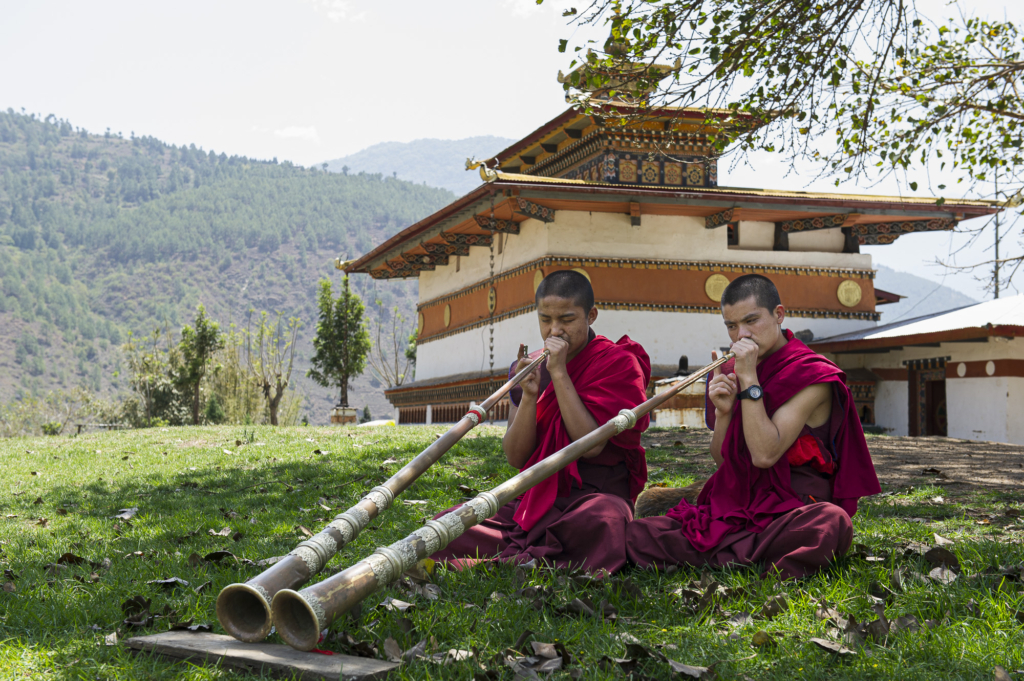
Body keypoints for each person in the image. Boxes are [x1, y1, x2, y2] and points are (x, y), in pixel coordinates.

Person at [626, 274, 880, 579]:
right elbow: (724, 461)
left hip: (791, 509)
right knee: (638, 533)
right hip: (738, 506)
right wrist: (723, 413)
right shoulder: (738, 370)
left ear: (779, 314)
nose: (741, 336)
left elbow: (764, 455)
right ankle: (747, 554)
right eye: (731, 326)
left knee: (830, 523)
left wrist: (749, 382)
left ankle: (728, 552)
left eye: (751, 321)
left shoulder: (812, 375)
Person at [431, 270, 651, 573]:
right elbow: (515, 456)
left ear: (592, 315)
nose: (555, 330)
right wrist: (531, 395)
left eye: (567, 319)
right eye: (545, 319)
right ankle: (531, 559)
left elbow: (590, 447)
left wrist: (559, 374)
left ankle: (506, 562)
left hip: (591, 498)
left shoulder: (619, 363)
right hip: (532, 500)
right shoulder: (530, 366)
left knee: (605, 520)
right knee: (449, 526)